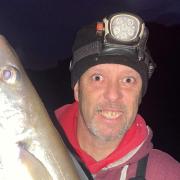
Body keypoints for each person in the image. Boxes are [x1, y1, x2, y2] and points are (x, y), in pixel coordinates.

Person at [55, 12, 180, 179]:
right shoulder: (24, 156)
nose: (113, 95)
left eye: (128, 80)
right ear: (78, 89)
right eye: (98, 78)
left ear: (140, 95)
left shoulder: (166, 173)